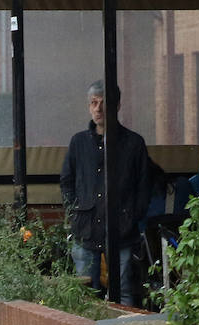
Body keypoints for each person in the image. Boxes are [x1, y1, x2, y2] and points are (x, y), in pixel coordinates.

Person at [60, 80, 152, 306]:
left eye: (103, 103)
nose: (98, 109)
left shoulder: (133, 143)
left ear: (117, 106)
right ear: (88, 106)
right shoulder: (78, 142)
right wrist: (74, 212)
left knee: (126, 292)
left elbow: (144, 186)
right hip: (85, 229)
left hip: (122, 231)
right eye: (93, 103)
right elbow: (67, 181)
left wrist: (132, 217)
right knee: (83, 296)